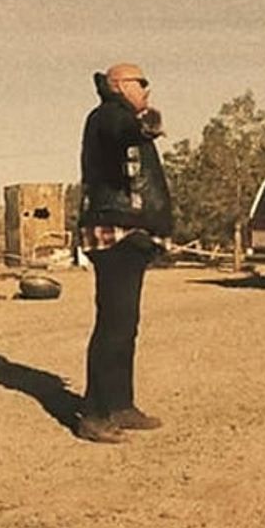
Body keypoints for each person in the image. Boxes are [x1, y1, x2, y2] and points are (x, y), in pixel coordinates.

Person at [75, 62, 172, 443]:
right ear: (118, 85)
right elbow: (122, 131)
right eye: (140, 82)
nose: (147, 89)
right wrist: (143, 125)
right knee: (114, 326)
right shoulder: (109, 116)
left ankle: (120, 404)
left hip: (128, 231)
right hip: (115, 231)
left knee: (125, 325)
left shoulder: (119, 117)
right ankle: (94, 414)